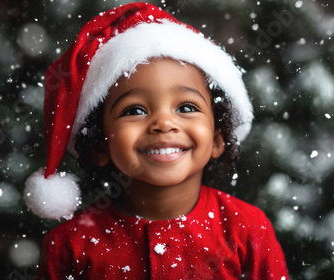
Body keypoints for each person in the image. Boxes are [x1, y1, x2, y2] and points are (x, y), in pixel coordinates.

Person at [23, 2, 289, 279]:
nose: (164, 123)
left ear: (217, 138)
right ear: (100, 144)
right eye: (135, 110)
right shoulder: (69, 245)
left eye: (186, 107)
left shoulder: (247, 228)